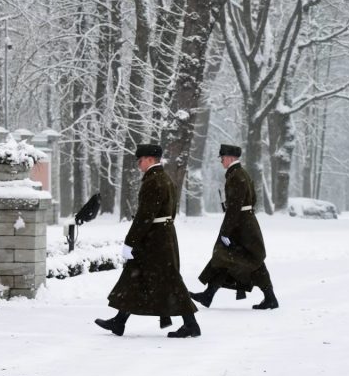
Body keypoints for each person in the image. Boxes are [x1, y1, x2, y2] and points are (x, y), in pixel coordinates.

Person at [94, 143, 201, 338]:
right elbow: (170, 212)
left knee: (169, 281)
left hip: (155, 241)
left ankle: (191, 324)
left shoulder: (153, 181)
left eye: (140, 160)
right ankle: (119, 322)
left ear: (150, 160)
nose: (138, 164)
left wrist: (130, 241)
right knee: (136, 277)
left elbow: (144, 216)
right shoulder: (165, 179)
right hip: (162, 236)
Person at [190, 144, 279, 310]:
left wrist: (226, 231)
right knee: (227, 258)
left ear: (230, 158)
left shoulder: (236, 175)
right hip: (245, 223)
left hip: (241, 227)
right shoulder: (241, 173)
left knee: (243, 259)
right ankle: (209, 294)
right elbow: (250, 200)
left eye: (222, 158)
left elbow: (235, 206)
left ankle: (270, 297)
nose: (221, 161)